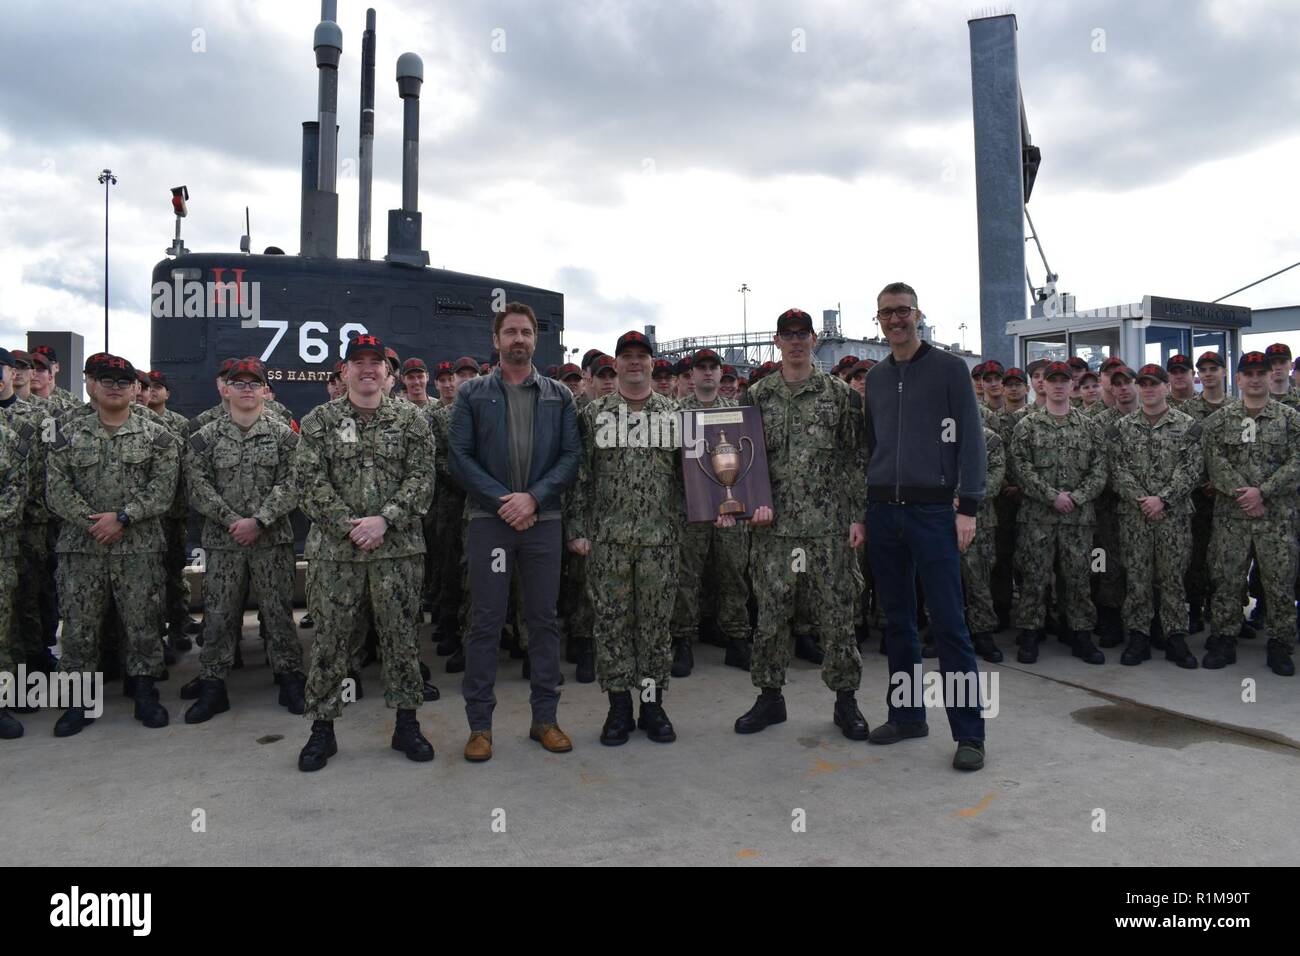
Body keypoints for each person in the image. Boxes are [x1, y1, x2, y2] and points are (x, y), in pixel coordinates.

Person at [293, 334, 436, 771]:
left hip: (398, 552)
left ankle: (406, 725)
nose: (368, 369)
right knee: (331, 644)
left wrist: (385, 520)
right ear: (345, 371)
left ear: (388, 374)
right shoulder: (318, 422)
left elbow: (422, 478)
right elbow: (308, 483)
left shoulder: (413, 422)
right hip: (336, 555)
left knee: (401, 640)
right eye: (358, 362)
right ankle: (322, 730)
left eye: (376, 362)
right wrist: (349, 526)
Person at [859, 285, 986, 771]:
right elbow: (873, 447)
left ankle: (970, 733)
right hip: (885, 513)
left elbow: (971, 441)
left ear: (918, 314)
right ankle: (907, 715)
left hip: (934, 514)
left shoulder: (951, 370)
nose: (896, 320)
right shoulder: (874, 378)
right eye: (887, 313)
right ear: (879, 319)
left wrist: (968, 507)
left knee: (950, 626)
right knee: (897, 624)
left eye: (903, 311)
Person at [448, 302, 581, 761]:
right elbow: (459, 459)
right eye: (511, 332)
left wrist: (534, 498)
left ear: (535, 339)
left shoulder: (558, 396)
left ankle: (545, 719)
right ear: (496, 340)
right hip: (491, 523)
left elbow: (570, 457)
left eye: (526, 331)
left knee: (543, 622)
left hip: (543, 523)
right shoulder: (472, 395)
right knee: (485, 622)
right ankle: (480, 727)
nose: (519, 339)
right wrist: (505, 500)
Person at [730, 308, 869, 741]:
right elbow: (742, 460)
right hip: (773, 528)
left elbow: (855, 459)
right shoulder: (756, 397)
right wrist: (750, 504)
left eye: (802, 334)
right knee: (771, 616)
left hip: (827, 528)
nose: (795, 341)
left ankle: (845, 700)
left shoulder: (840, 396)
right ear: (776, 340)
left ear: (813, 339)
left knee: (837, 617)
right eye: (787, 335)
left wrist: (857, 516)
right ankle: (770, 696)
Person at [46, 355, 179, 736]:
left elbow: (163, 489)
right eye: (107, 380)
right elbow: (56, 489)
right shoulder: (65, 432)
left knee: (142, 622)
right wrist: (94, 522)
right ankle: (80, 702)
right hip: (81, 547)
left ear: (135, 388)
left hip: (138, 546)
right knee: (80, 625)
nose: (116, 387)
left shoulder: (157, 434)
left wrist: (122, 517)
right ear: (92, 384)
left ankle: (144, 691)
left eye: (124, 381)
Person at [566, 330, 684, 745]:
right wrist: (577, 529)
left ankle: (652, 706)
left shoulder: (675, 415)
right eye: (627, 356)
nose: (635, 362)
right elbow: (580, 478)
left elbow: (688, 482)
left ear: (653, 364)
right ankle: (618, 708)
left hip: (660, 541)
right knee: (612, 625)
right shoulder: (593, 415)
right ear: (615, 365)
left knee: (654, 626)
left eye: (642, 356)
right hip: (608, 540)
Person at [182, 358, 306, 720]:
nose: (247, 389)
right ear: (227, 389)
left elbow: (293, 482)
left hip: (272, 541)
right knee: (218, 616)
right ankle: (213, 685)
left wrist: (261, 520)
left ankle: (288, 678)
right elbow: (197, 485)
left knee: (278, 613)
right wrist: (233, 520)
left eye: (255, 383)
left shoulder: (285, 435)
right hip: (224, 543)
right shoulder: (205, 437)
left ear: (265, 390)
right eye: (240, 383)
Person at [1201, 351, 1300, 676]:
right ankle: (1223, 637)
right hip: (1232, 518)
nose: (1256, 379)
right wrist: (1245, 494)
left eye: (1262, 373)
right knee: (1227, 579)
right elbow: (1215, 462)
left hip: (1277, 518)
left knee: (1279, 582)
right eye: (1249, 374)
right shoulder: (1219, 422)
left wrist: (1264, 491)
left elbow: (1297, 462)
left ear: (1270, 376)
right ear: (1239, 379)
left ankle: (1281, 643)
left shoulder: (1291, 419)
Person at [1009, 361, 1108, 667]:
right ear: (1044, 385)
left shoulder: (1089, 426)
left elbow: (1099, 469)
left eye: (1064, 380)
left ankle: (1080, 632)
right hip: (1037, 516)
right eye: (1052, 381)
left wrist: (1075, 497)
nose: (1058, 385)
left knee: (1078, 577)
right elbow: (1020, 467)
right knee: (1034, 577)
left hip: (1077, 518)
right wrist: (1051, 496)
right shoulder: (1027, 425)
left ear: (1071, 386)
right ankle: (1029, 632)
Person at [1107, 364, 1202, 668]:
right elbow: (1117, 469)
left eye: (1154, 384)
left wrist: (1162, 499)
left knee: (1172, 578)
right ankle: (1139, 635)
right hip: (1135, 516)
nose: (1148, 389)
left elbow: (1191, 469)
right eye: (1143, 384)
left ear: (1165, 387)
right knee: (1137, 577)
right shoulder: (1122, 427)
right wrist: (1143, 501)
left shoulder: (1187, 425)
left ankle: (1175, 635)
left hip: (1172, 517)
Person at [669, 348, 752, 675]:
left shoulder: (736, 412)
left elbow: (747, 463)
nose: (706, 373)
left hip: (729, 510)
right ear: (691, 375)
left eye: (712, 367)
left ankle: (737, 639)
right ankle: (683, 640)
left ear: (720, 374)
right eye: (700, 368)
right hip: (689, 509)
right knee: (687, 575)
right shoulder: (676, 413)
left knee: (733, 572)